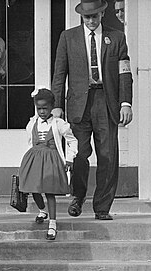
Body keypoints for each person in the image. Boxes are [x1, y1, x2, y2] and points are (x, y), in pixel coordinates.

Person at [51, 0, 133, 220]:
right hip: (79, 104)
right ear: (81, 16)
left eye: (95, 16)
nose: (91, 21)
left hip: (106, 102)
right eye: (87, 17)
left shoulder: (117, 37)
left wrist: (126, 103)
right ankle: (77, 197)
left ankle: (103, 206)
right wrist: (57, 106)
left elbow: (125, 73)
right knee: (79, 154)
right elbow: (59, 75)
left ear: (102, 14)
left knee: (108, 155)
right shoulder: (68, 38)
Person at [19, 88, 78, 240]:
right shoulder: (32, 123)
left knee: (49, 191)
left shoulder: (59, 124)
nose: (42, 112)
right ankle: (42, 210)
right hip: (34, 159)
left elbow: (72, 140)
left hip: (51, 160)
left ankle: (52, 223)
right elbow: (30, 142)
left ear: (52, 107)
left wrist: (70, 158)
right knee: (33, 188)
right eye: (39, 109)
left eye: (45, 108)